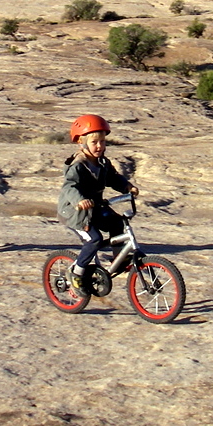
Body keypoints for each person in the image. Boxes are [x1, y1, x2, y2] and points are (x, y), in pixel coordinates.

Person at [57, 114, 138, 296]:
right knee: (94, 240)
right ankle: (77, 273)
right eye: (94, 142)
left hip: (95, 207)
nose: (99, 146)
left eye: (102, 141)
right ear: (81, 142)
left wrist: (126, 186)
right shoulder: (77, 165)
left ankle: (119, 258)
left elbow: (112, 178)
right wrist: (79, 200)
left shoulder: (102, 162)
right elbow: (69, 186)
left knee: (117, 223)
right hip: (75, 212)